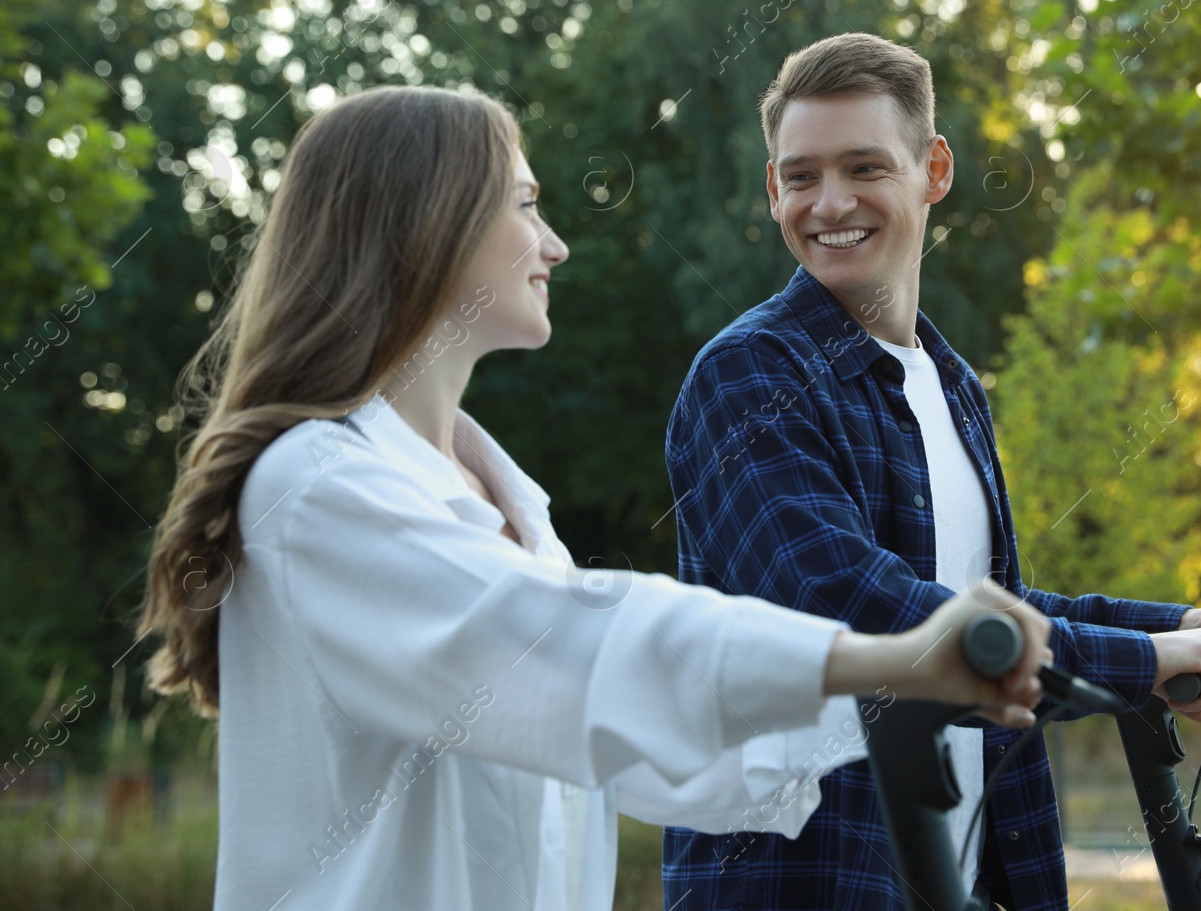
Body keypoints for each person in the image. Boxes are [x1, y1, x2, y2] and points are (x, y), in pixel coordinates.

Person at [134, 84, 1055, 911]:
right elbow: (571, 641)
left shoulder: (510, 513)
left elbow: (661, 748)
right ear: (428, 225)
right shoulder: (317, 486)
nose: (555, 243)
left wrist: (896, 691)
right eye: (527, 205)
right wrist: (881, 658)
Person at [660, 33, 1201, 910]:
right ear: (772, 189)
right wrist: (1138, 658)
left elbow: (983, 601)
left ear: (933, 169)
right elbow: (861, 612)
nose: (830, 203)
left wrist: (1168, 622)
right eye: (800, 176)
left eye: (864, 167)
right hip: (808, 881)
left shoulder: (949, 385)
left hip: (962, 880)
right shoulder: (751, 376)